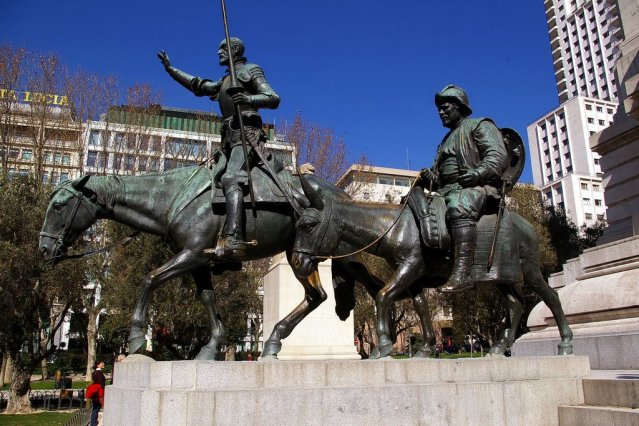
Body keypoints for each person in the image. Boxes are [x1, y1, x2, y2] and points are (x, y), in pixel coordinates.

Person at [157, 37, 280, 254]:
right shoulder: (224, 81)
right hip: (229, 141)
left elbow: (272, 98)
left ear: (235, 50)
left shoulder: (250, 70)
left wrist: (248, 99)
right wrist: (171, 70)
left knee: (232, 177)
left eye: (223, 48)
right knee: (209, 180)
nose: (218, 52)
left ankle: (235, 239)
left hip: (247, 137)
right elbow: (199, 85)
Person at [419, 85, 508, 293]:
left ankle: (463, 274)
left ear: (459, 107)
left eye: (445, 107)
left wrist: (478, 173)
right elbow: (440, 177)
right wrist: (430, 178)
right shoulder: (444, 141)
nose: (441, 112)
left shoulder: (480, 125)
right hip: (445, 191)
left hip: (473, 187)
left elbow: (497, 156)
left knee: (458, 206)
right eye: (439, 109)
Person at [90, 360, 106, 426]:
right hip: (98, 393)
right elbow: (101, 384)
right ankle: (93, 423)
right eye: (102, 363)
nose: (103, 364)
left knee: (95, 408)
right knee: (96, 409)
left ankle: (93, 422)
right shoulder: (99, 372)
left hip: (95, 392)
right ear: (98, 365)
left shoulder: (95, 372)